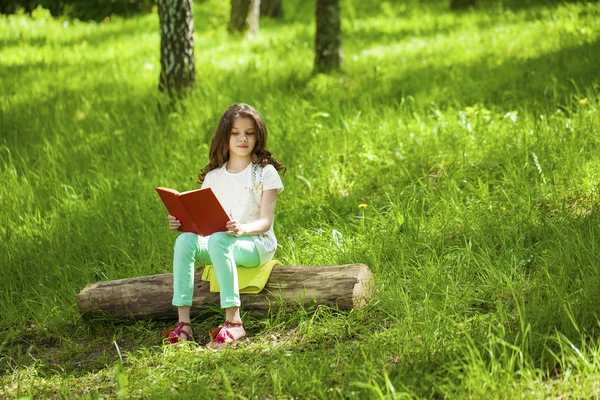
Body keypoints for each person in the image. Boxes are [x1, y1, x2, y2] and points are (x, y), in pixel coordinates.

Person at [164, 103, 285, 348]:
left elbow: (265, 222)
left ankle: (234, 323)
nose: (243, 138)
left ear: (257, 136)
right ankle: (184, 324)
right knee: (185, 241)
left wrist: (242, 228)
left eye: (249, 133)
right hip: (222, 241)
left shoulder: (264, 173)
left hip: (255, 243)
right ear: (225, 136)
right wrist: (182, 223)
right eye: (235, 132)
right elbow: (202, 222)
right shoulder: (214, 177)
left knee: (220, 240)